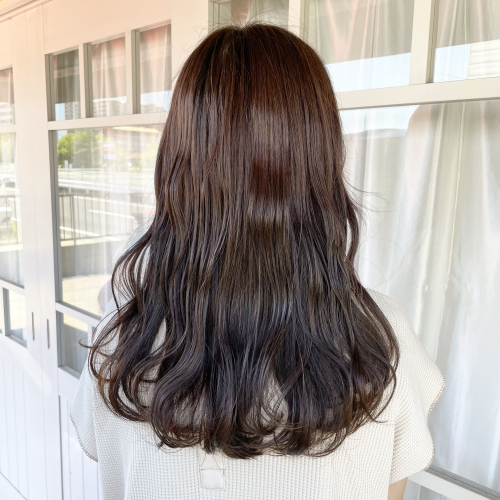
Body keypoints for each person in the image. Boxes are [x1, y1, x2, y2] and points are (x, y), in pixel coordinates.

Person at [70, 23, 445, 500]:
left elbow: (106, 462)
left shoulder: (123, 343)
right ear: (320, 159)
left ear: (179, 162)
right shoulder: (380, 341)